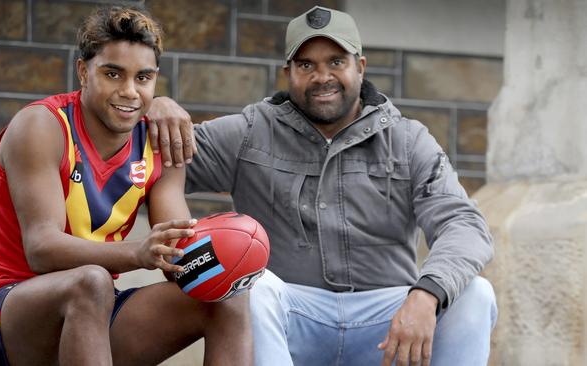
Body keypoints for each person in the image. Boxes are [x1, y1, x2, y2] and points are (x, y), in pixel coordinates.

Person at [149, 5, 498, 366]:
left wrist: (426, 295)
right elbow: (147, 155)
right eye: (306, 65)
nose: (322, 76)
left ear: (359, 67)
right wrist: (155, 105)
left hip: (386, 325)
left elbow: (465, 225)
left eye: (336, 61)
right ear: (288, 73)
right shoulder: (250, 132)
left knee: (475, 294)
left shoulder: (408, 140)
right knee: (255, 288)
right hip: (290, 317)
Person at [0, 6, 253, 366]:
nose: (129, 91)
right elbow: (41, 248)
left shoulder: (160, 141)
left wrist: (229, 255)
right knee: (92, 282)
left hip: (94, 314)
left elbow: (176, 254)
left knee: (226, 297)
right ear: (83, 71)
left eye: (143, 78)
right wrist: (136, 253)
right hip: (6, 314)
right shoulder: (41, 127)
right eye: (113, 74)